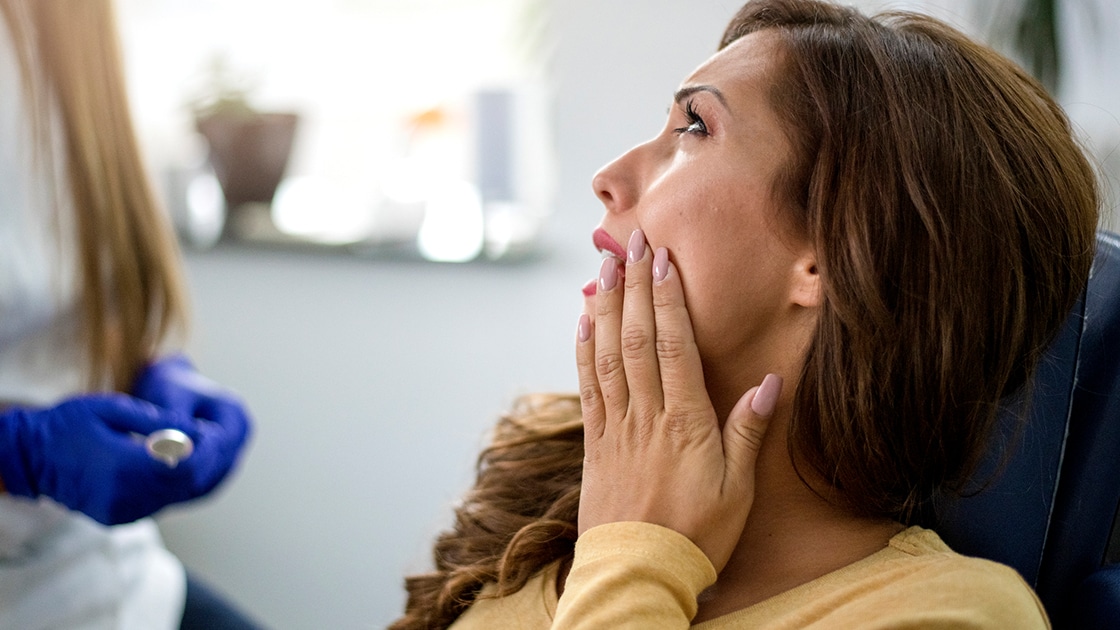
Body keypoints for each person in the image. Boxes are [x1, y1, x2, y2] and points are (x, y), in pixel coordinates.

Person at [392, 0, 1101, 627]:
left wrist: (637, 555)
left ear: (832, 253)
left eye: (694, 127)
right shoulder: (541, 491)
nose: (608, 179)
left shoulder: (947, 616)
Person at [0, 1, 258, 628]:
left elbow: (81, 291)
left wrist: (161, 374)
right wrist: (16, 455)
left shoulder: (66, 24)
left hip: (90, 570)